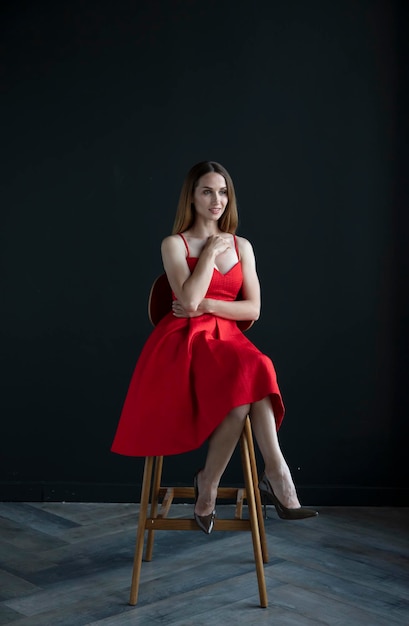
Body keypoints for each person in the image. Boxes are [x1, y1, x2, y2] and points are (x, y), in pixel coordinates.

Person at [111, 161, 317, 533]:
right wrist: (207, 254)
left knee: (246, 386)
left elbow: (252, 308)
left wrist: (207, 305)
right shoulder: (174, 244)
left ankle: (216, 482)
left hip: (228, 341)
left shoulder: (243, 246)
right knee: (255, 370)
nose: (217, 200)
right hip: (185, 343)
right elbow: (187, 303)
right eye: (207, 191)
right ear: (191, 196)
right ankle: (276, 476)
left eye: (223, 192)